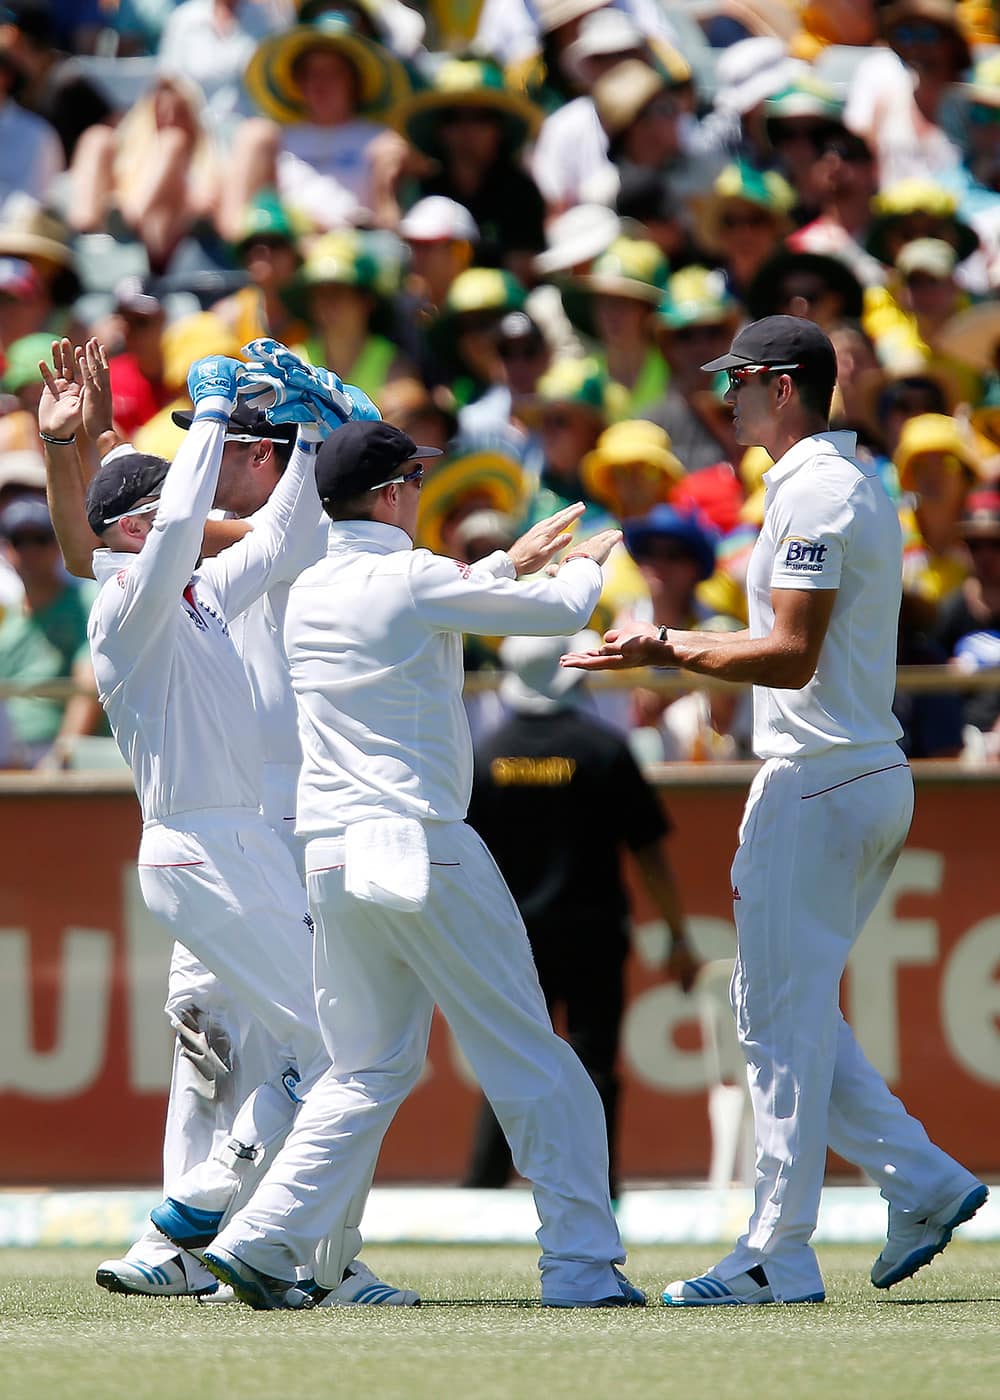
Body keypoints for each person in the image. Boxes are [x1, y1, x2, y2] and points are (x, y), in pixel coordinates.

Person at [562, 314, 987, 1305]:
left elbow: (789, 650)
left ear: (781, 387)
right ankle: (921, 1180)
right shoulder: (826, 482)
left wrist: (662, 645)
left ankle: (775, 1250)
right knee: (774, 1007)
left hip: (822, 773)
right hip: (840, 768)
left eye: (738, 382)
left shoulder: (821, 488)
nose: (724, 400)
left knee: (777, 1017)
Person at [196, 420, 645, 1311]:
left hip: (330, 855)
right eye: (414, 484)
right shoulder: (407, 573)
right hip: (419, 839)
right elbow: (558, 615)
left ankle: (262, 1235)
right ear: (396, 493)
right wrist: (589, 566)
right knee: (532, 1059)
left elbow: (424, 606)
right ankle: (582, 1268)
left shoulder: (310, 585)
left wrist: (508, 565)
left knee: (365, 1068)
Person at [45, 342, 414, 1305]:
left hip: (231, 843)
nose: (193, 513)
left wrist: (302, 430)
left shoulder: (197, 596)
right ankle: (226, 1229)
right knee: (337, 1044)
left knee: (290, 1048)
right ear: (135, 526)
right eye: (167, 505)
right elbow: (166, 529)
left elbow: (280, 534)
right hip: (207, 844)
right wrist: (207, 414)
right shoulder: (126, 601)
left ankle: (201, 1238)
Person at [462, 629, 697, 1199]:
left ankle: (482, 1190)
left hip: (513, 939)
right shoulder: (604, 748)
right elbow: (648, 851)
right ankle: (594, 1187)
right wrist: (678, 936)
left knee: (512, 1065)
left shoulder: (487, 755)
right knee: (592, 1068)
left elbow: (466, 857)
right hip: (593, 932)